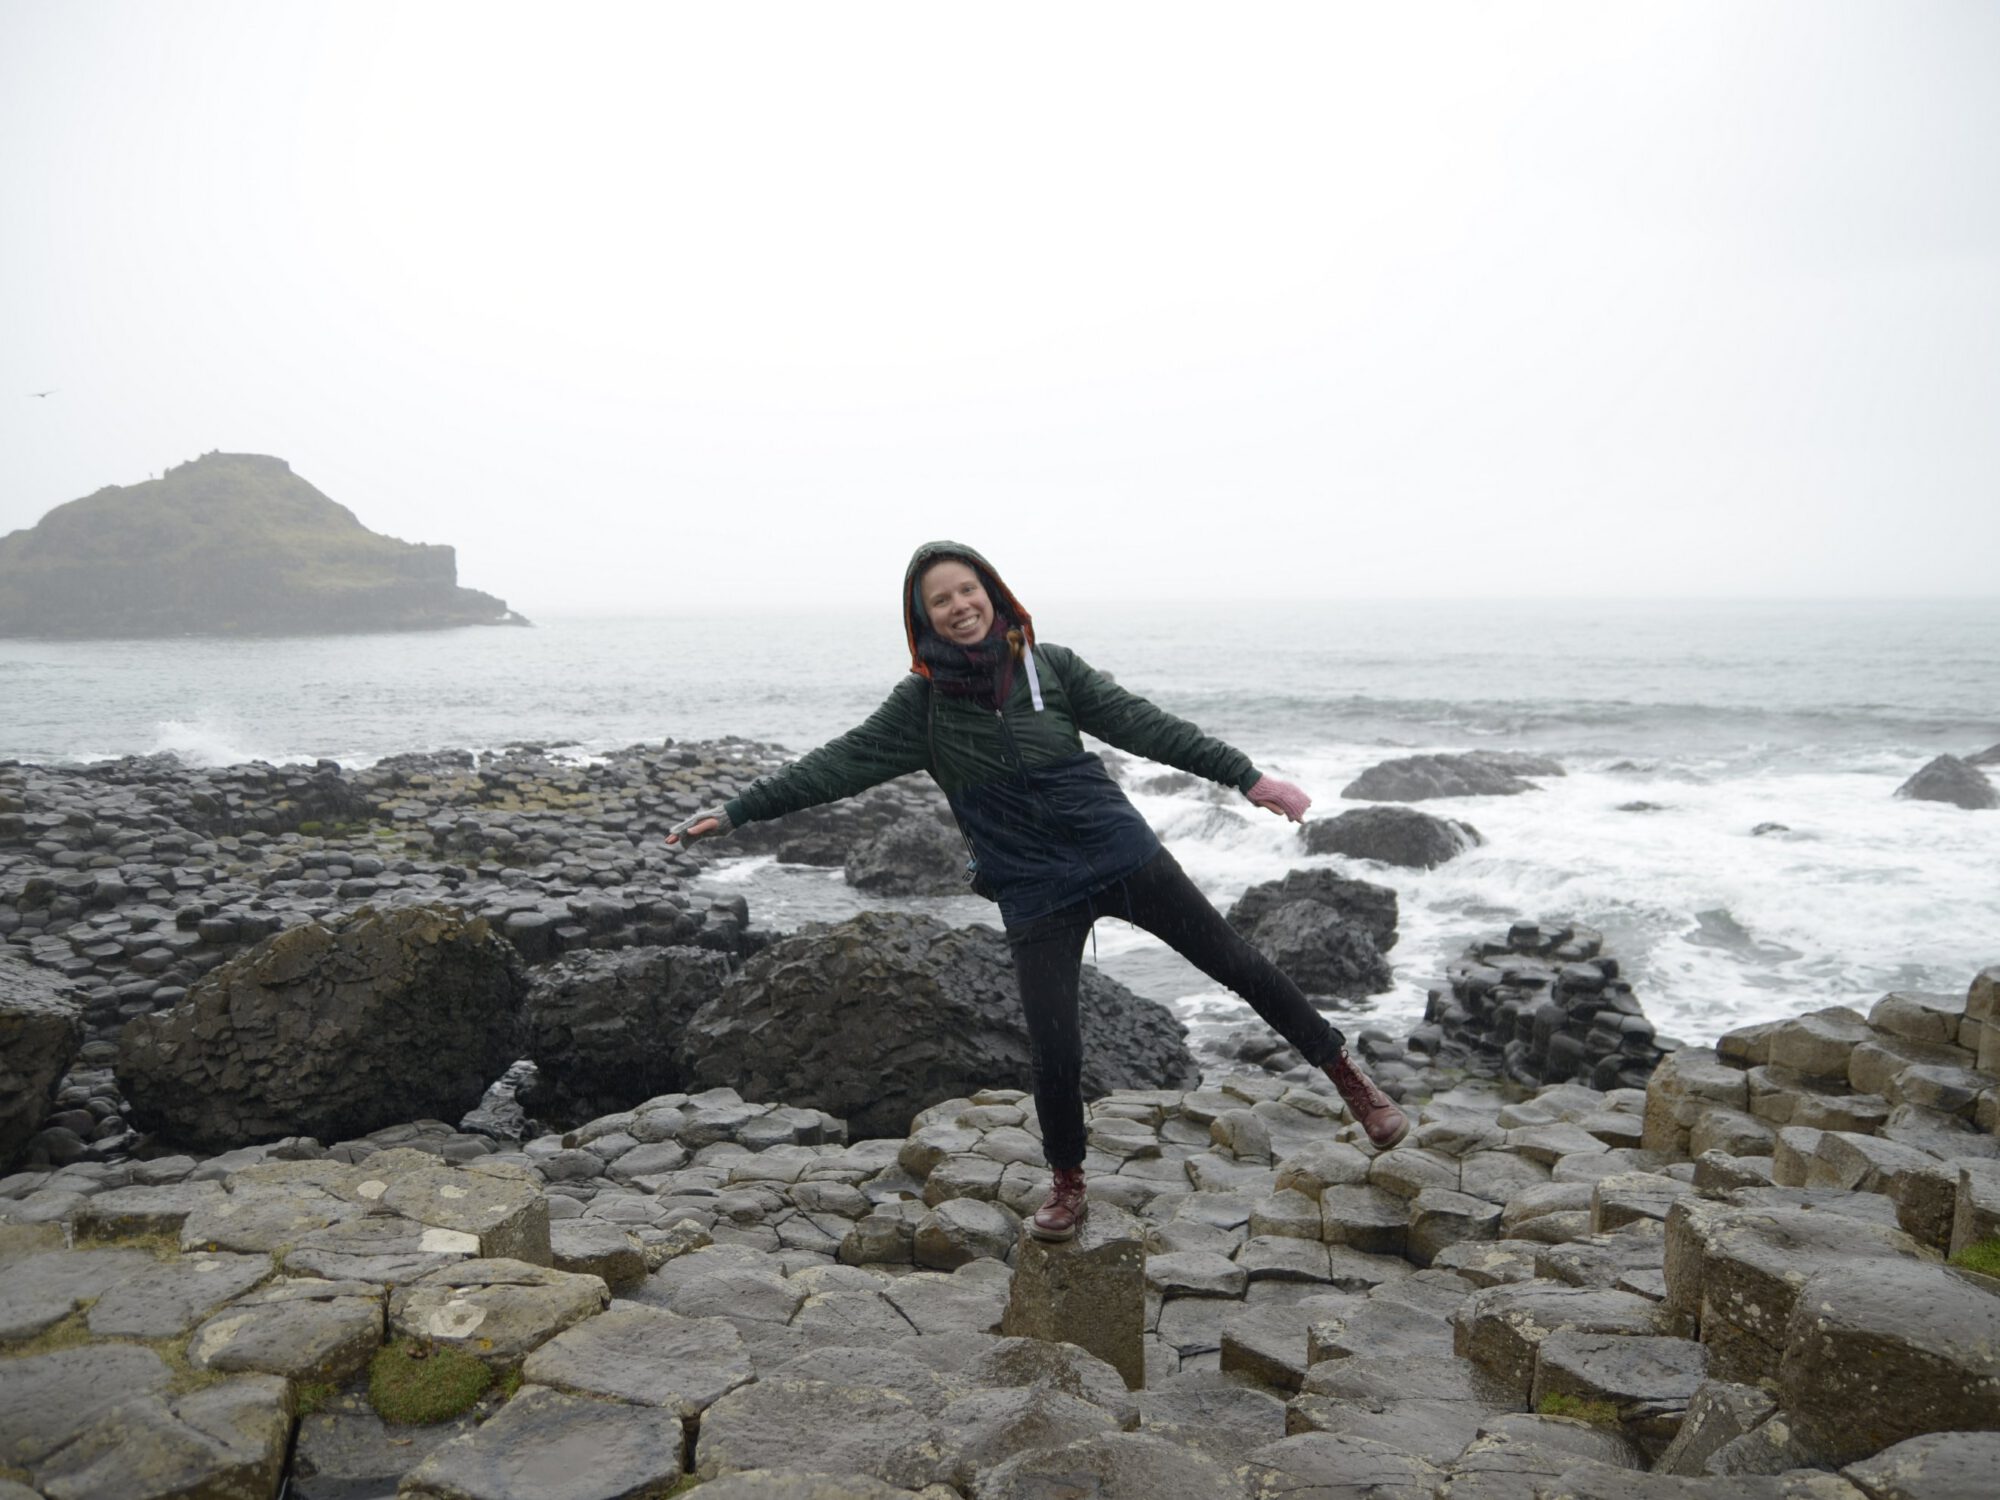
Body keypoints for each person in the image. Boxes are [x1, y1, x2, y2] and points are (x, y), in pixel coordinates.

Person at [667, 541, 1408, 1242]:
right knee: (1054, 1044)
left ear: (993, 593)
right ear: (922, 619)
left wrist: (1246, 776)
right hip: (1032, 888)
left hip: (1121, 854)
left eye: (968, 589)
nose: (960, 605)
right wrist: (737, 811)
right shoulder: (920, 710)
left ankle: (1350, 1079)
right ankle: (1068, 1181)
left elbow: (1144, 725)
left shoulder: (1051, 668)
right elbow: (835, 764)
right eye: (941, 600)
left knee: (1239, 965)